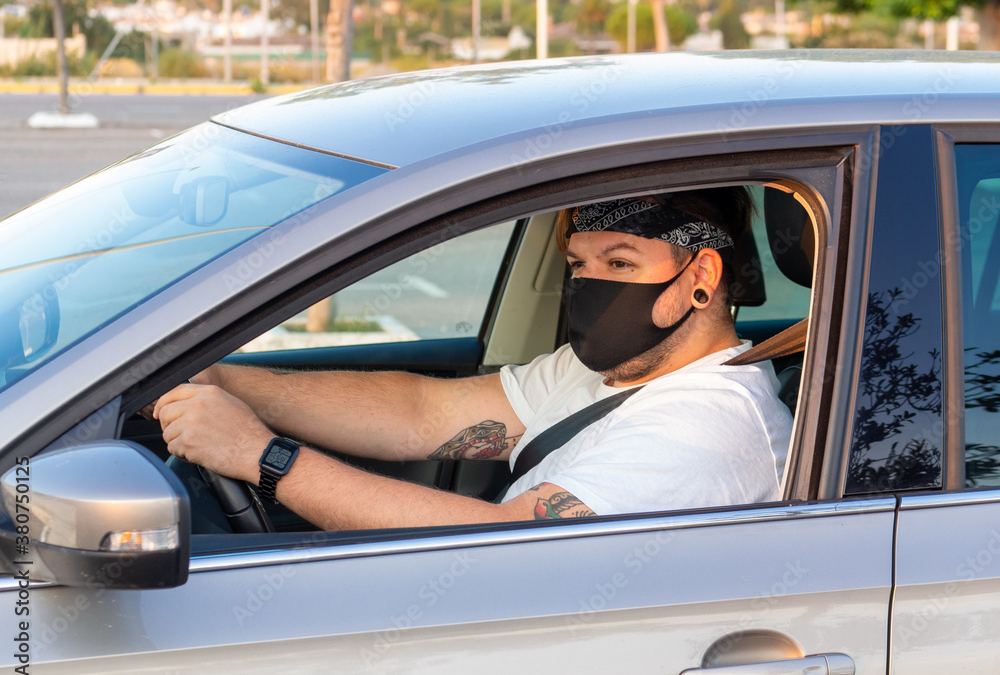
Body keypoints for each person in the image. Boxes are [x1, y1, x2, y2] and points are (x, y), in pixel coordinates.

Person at [153, 188, 792, 531]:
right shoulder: (608, 369)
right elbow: (424, 414)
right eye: (578, 265)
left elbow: (509, 538)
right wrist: (222, 379)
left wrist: (261, 458)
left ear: (701, 276)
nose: (590, 286)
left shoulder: (708, 426)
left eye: (620, 263)